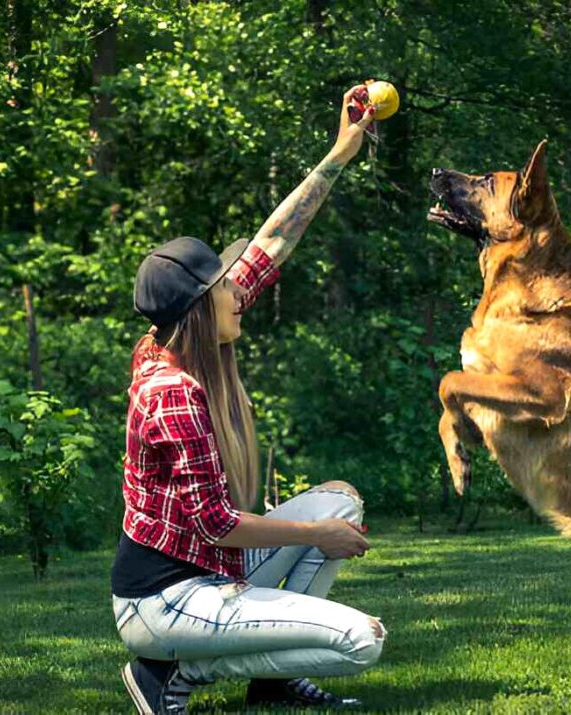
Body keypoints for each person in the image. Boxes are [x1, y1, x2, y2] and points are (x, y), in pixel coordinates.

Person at [110, 85, 383, 715]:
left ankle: (273, 682)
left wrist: (339, 153)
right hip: (164, 599)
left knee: (339, 500)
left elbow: (273, 242)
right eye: (224, 288)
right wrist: (317, 535)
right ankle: (167, 677)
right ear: (200, 307)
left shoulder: (186, 339)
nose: (238, 292)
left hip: (208, 568)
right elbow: (216, 524)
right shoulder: (171, 392)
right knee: (359, 639)